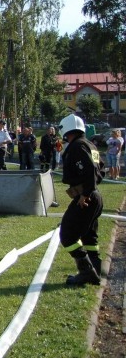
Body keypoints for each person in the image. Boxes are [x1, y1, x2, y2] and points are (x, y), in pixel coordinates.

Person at [57, 113, 104, 286]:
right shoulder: (90, 145)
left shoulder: (77, 146)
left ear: (67, 129)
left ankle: (86, 272)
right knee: (89, 236)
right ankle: (95, 269)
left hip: (86, 198)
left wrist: (85, 194)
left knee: (67, 235)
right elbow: (100, 169)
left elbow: (90, 169)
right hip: (94, 196)